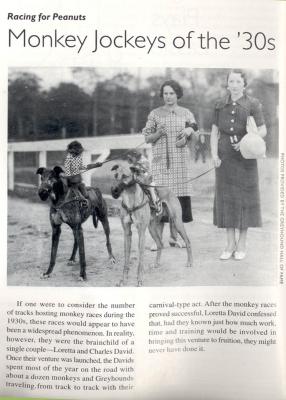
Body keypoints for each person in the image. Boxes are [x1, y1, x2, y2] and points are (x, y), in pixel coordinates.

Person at [210, 69, 267, 261]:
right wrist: (214, 154)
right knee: (226, 200)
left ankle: (242, 244)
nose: (234, 85)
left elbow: (263, 130)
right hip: (225, 158)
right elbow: (214, 132)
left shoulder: (253, 104)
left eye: (237, 81)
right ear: (227, 84)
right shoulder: (219, 105)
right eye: (231, 81)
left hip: (246, 159)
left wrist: (248, 141)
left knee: (244, 200)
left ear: (244, 84)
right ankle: (229, 244)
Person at [142, 79, 199, 248]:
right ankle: (157, 240)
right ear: (162, 95)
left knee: (178, 200)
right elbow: (147, 137)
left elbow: (195, 133)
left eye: (172, 93)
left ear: (177, 95)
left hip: (180, 162)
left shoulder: (187, 113)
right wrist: (158, 132)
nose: (168, 96)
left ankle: (175, 237)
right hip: (161, 163)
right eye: (165, 93)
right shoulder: (154, 114)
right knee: (160, 200)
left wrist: (189, 132)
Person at [127, 150, 161, 215]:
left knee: (151, 190)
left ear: (136, 157)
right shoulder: (136, 162)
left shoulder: (144, 161)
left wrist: (137, 171)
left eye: (133, 158)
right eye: (132, 158)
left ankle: (157, 206)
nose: (132, 159)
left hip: (148, 180)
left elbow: (144, 173)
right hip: (140, 181)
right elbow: (131, 165)